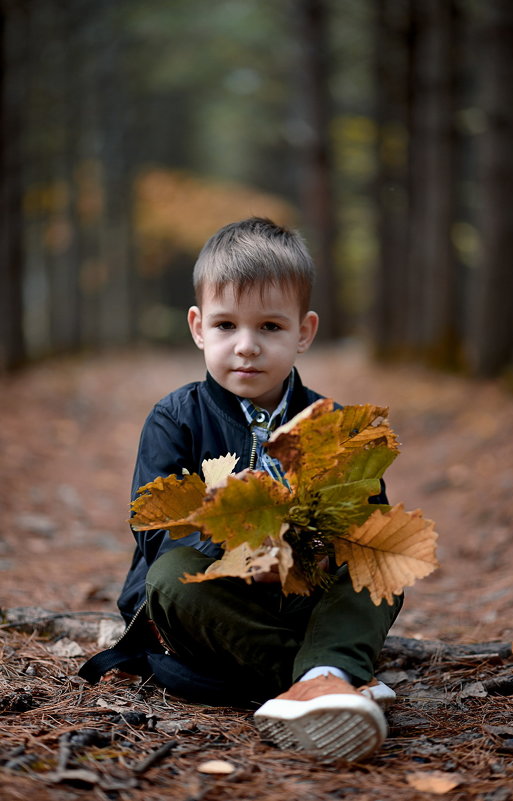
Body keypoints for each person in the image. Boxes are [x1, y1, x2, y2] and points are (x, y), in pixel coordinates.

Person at [79, 217, 402, 762]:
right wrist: (231, 544)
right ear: (199, 327)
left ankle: (322, 674)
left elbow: (365, 523)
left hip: (300, 598)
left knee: (385, 555)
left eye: (270, 327)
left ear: (304, 331)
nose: (246, 347)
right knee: (170, 578)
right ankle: (331, 677)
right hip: (215, 605)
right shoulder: (175, 419)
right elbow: (156, 531)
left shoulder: (336, 425)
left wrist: (308, 545)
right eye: (227, 326)